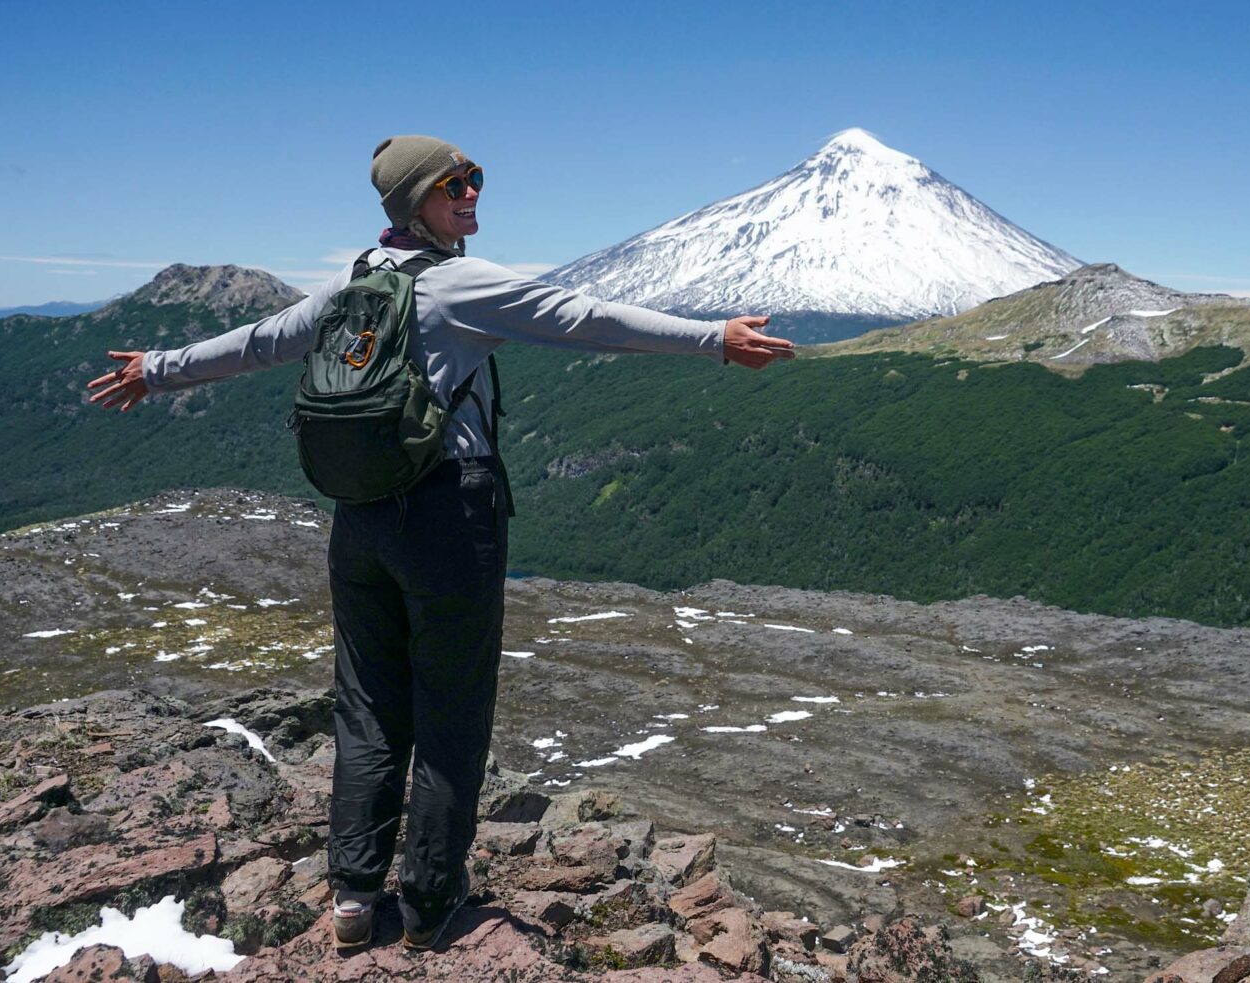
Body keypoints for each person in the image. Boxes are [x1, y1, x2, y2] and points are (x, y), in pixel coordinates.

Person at [85, 135, 795, 949]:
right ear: (414, 202)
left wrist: (158, 367)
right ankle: (427, 902)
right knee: (451, 709)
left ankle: (353, 895)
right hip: (450, 517)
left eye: (474, 177)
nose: (470, 192)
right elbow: (585, 318)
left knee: (367, 705)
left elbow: (259, 343)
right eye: (452, 183)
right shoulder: (461, 284)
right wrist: (713, 338)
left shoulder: (355, 282)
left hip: (358, 519)